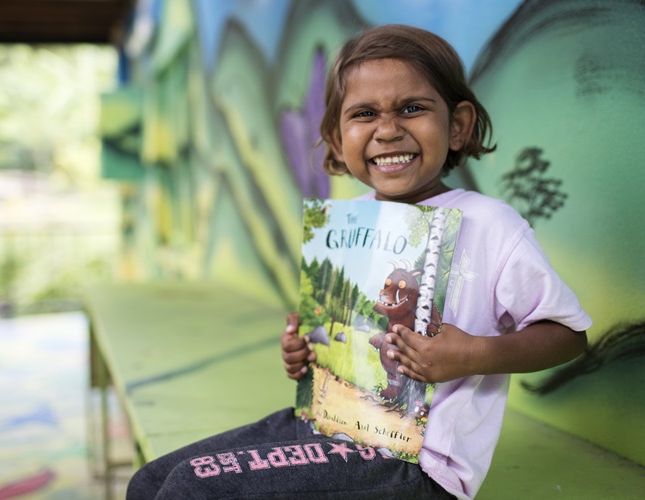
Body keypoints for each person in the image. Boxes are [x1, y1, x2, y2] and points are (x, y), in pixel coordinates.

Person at [126, 24, 592, 499]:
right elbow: (350, 344)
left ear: (457, 125)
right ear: (335, 137)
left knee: (189, 490)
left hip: (414, 465)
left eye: (412, 108)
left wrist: (473, 354)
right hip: (327, 424)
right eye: (364, 114)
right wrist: (308, 351)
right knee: (150, 483)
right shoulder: (351, 225)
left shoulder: (492, 225)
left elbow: (569, 336)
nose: (388, 130)